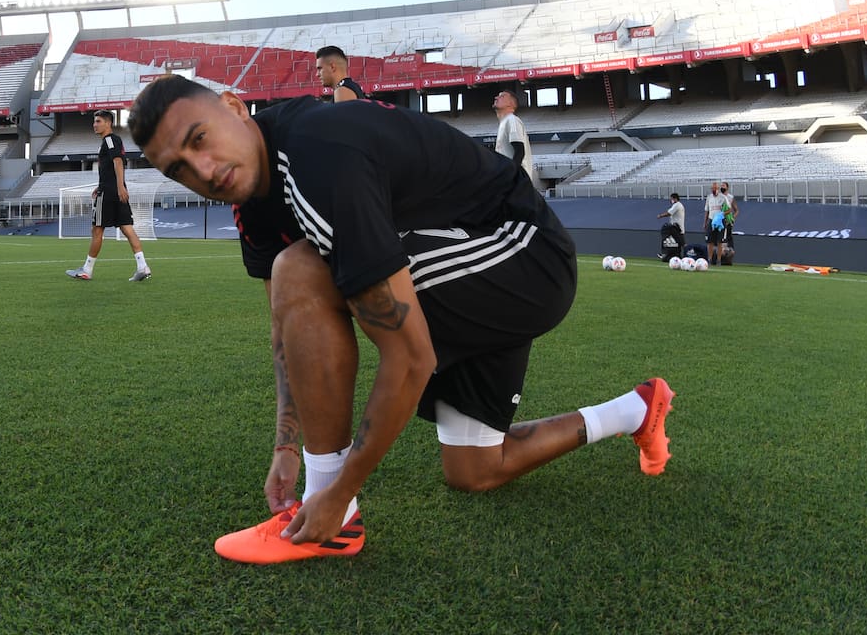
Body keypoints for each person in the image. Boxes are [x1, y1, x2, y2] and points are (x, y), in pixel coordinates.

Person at [128, 75, 675, 565]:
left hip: (523, 253)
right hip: (469, 261)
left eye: (200, 139)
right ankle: (635, 410)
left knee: (300, 267)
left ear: (234, 106)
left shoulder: (318, 156)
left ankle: (336, 528)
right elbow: (285, 330)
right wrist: (284, 446)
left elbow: (411, 356)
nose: (202, 170)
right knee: (475, 471)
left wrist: (336, 492)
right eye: (178, 169)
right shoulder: (252, 202)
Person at [65, 110, 152, 282]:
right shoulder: (110, 141)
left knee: (97, 229)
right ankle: (142, 266)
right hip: (112, 190)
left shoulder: (110, 139)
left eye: (98, 121)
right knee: (127, 228)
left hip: (110, 193)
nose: (94, 124)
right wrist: (102, 186)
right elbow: (111, 167)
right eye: (94, 121)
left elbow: (118, 161)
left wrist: (118, 187)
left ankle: (87, 270)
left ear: (108, 123)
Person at [492, 89, 538, 188]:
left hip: (517, 182)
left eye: (502, 96)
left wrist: (510, 176)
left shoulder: (512, 120)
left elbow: (519, 151)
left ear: (511, 104)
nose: (496, 97)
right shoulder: (504, 123)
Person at [702, 181, 728, 266]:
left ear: (718, 189)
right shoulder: (709, 198)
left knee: (720, 241)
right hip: (711, 220)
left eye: (715, 188)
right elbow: (706, 210)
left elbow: (729, 209)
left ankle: (719, 260)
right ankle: (709, 259)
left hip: (720, 221)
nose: (714, 190)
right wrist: (705, 222)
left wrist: (722, 214)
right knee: (710, 241)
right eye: (712, 188)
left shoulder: (723, 197)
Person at [656, 192, 686, 258]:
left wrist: (660, 215)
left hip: (677, 228)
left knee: (681, 242)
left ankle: (687, 254)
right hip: (674, 227)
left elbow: (669, 213)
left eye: (671, 199)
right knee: (668, 239)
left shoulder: (677, 205)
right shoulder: (677, 205)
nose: (671, 200)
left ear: (675, 199)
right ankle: (666, 254)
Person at [719, 182, 739, 262]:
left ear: (727, 187)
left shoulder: (730, 197)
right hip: (719, 221)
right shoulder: (718, 197)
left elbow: (736, 210)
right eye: (721, 186)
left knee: (728, 238)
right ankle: (720, 257)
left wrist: (732, 218)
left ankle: (729, 258)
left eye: (723, 186)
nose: (722, 187)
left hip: (728, 221)